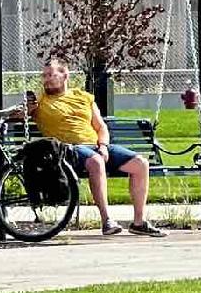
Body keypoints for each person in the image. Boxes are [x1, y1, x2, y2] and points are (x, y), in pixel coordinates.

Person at [16, 55, 166, 238]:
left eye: (50, 75)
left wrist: (103, 146)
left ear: (64, 75)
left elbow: (101, 127)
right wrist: (25, 109)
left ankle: (139, 222)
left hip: (95, 146)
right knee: (95, 161)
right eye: (44, 75)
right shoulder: (40, 100)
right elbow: (17, 115)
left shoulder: (84, 97)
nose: (46, 79)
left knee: (140, 164)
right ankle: (107, 220)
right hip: (69, 149)